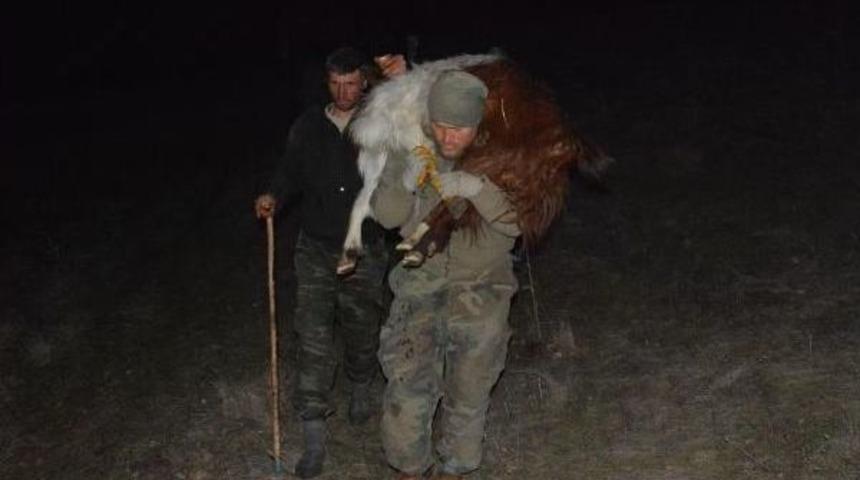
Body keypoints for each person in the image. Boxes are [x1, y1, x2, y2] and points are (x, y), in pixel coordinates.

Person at [369, 70, 523, 480]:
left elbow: (518, 223)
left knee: (469, 389)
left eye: (459, 128)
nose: (448, 136)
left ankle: (455, 469)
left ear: (477, 125)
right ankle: (409, 469)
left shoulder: (506, 155)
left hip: (482, 289)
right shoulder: (413, 146)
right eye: (440, 125)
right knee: (407, 383)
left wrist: (477, 188)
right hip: (420, 283)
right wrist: (400, 176)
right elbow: (388, 217)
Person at [254, 46, 391, 479]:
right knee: (312, 336)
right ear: (327, 82)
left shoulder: (380, 123)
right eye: (336, 83)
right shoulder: (309, 125)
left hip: (364, 248)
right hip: (315, 247)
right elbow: (289, 171)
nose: (344, 91)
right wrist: (273, 195)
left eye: (351, 83)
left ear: (364, 82)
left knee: (361, 329)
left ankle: (360, 383)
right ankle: (314, 434)